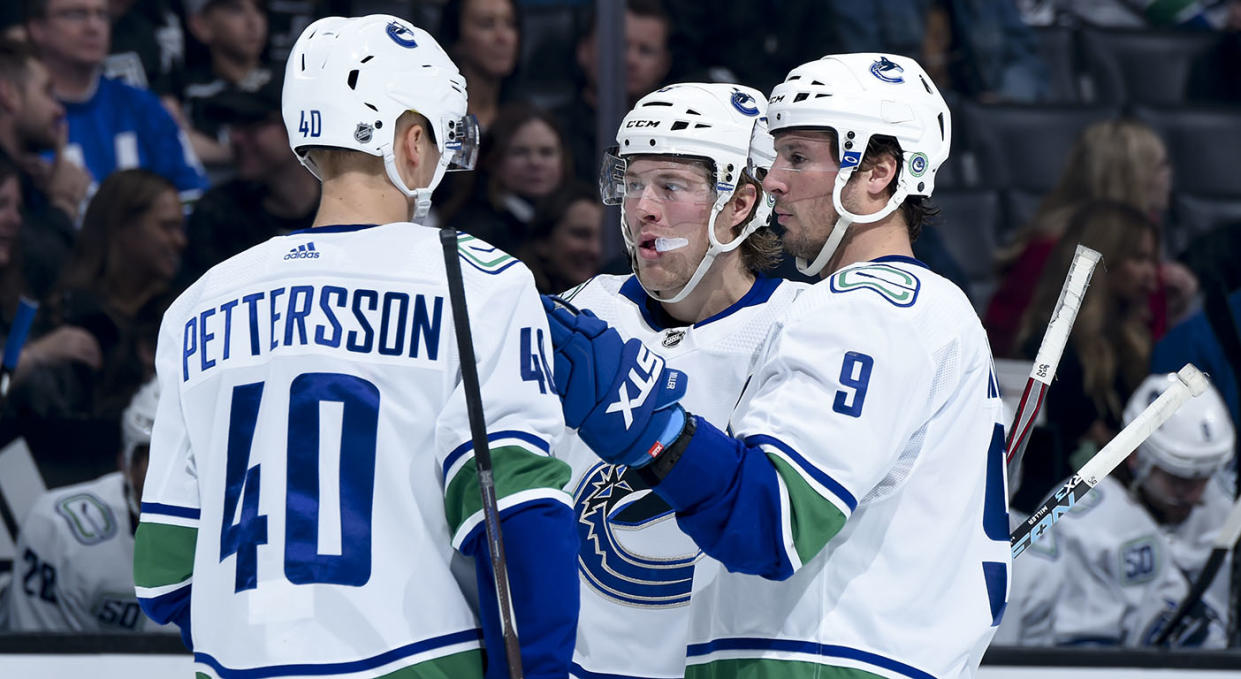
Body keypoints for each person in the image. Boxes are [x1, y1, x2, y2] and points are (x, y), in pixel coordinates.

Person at [132, 16, 579, 679]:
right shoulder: (476, 279)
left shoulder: (199, 303)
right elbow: (519, 519)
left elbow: (164, 569)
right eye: (442, 137)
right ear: (410, 139)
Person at [544, 53, 1008, 678]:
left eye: (796, 157)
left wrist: (650, 427)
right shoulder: (902, 308)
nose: (775, 182)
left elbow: (771, 521)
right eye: (774, 157)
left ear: (878, 171)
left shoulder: (866, 308)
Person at [554, 82, 801, 679]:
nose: (643, 207)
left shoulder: (803, 328)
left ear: (740, 204)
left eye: (671, 185)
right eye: (634, 183)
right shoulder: (579, 315)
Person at [1000, 373, 1235, 647]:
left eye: (1203, 480)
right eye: (1179, 481)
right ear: (1136, 458)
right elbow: (1084, 652)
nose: (1196, 497)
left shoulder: (1217, 500)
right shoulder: (1080, 516)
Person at [11, 168, 184, 487]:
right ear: (122, 228)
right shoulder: (61, 309)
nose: (180, 240)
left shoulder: (182, 311)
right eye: (167, 227)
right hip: (63, 472)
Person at [4, 379, 174, 634]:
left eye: (198, 458)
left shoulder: (249, 535)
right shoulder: (59, 531)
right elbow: (41, 665)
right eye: (162, 456)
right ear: (126, 464)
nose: (181, 477)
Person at [1016, 201, 1159, 471]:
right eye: (1139, 259)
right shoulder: (1052, 347)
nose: (1151, 273)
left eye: (1152, 260)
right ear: (1106, 259)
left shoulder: (1130, 338)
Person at [24, 0, 208, 200]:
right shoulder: (19, 116)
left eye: (103, 15)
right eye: (75, 14)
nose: (93, 27)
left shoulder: (143, 106)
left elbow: (193, 194)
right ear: (37, 28)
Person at [179, 72, 318, 285]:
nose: (235, 138)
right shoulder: (218, 215)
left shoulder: (346, 201)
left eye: (251, 123)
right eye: (233, 125)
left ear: (296, 125)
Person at [0, 39, 91, 298]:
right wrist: (63, 203)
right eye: (47, 92)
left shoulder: (29, 178)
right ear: (7, 94)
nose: (59, 109)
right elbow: (28, 274)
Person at [439, 103, 569, 253]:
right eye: (519, 152)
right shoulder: (475, 231)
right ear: (492, 160)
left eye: (547, 152)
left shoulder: (579, 218)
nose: (535, 162)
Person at [180, 0, 272, 168]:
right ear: (201, 25)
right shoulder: (185, 91)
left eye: (259, 9)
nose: (253, 22)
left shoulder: (286, 82)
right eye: (235, 10)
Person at [438, 0, 520, 130]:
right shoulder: (437, 116)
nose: (503, 37)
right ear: (456, 38)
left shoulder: (525, 121)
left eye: (510, 24)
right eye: (486, 24)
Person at [519, 181, 602, 295]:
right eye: (581, 234)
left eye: (601, 237)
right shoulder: (517, 302)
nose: (594, 249)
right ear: (543, 241)